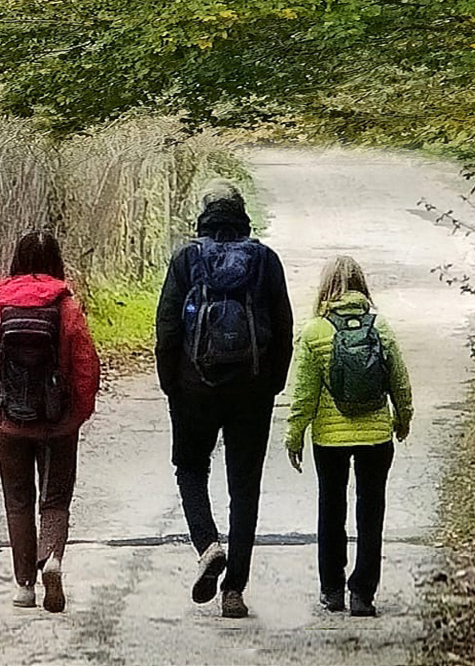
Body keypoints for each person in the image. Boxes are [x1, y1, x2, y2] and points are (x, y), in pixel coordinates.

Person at [154, 181, 294, 618]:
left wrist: (171, 382)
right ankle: (234, 590)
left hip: (194, 386)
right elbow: (285, 330)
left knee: (191, 469)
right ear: (242, 215)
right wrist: (273, 383)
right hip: (251, 389)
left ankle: (208, 544)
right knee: (244, 487)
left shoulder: (187, 258)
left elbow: (167, 329)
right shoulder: (264, 260)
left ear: (205, 215)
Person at [0, 230, 100, 613]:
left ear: (17, 261)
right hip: (59, 419)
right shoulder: (66, 306)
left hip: (10, 418)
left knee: (18, 500)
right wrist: (78, 412)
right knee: (55, 498)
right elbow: (85, 365)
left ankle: (24, 586)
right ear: (56, 261)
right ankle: (52, 558)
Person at [285, 256, 413, 616]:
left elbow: (305, 395)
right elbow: (400, 382)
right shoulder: (381, 328)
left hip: (330, 439)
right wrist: (402, 420)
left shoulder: (314, 332)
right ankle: (363, 594)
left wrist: (293, 436)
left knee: (331, 508)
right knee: (371, 512)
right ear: (361, 285)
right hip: (376, 436)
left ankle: (332, 590)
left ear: (327, 287)